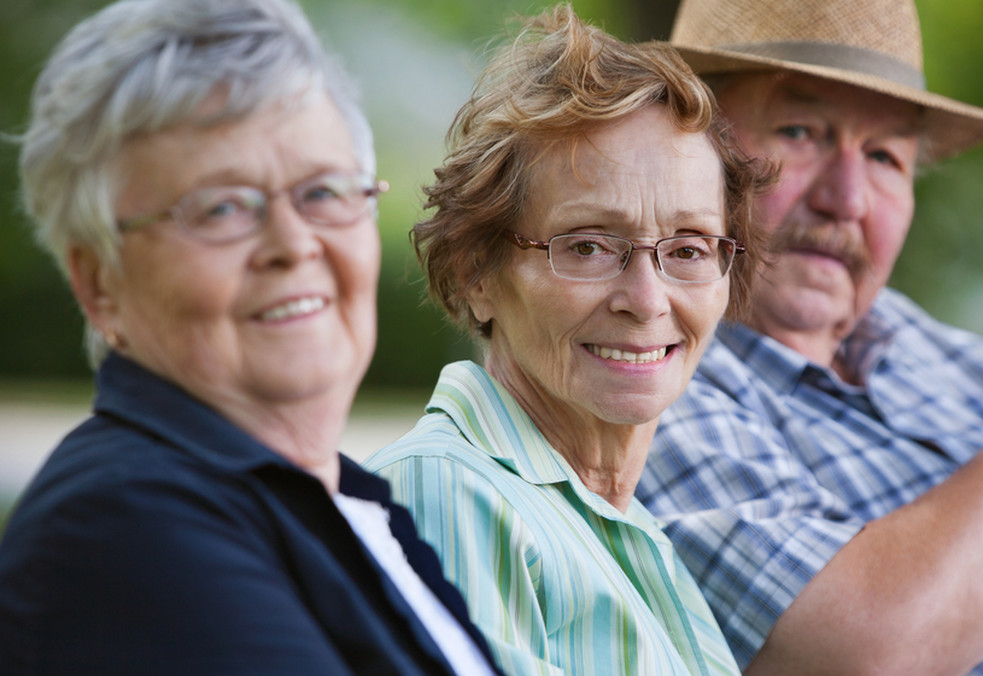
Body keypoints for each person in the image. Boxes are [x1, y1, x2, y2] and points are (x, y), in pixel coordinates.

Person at [636, 0, 983, 674]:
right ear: (685, 152)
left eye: (884, 155)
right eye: (800, 130)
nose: (849, 199)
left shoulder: (955, 359)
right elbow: (864, 656)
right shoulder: (651, 378)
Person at [0, 1, 502, 674]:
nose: (294, 244)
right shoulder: (123, 526)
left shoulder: (343, 502)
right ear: (98, 283)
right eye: (223, 207)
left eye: (323, 192)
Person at [362, 6, 773, 675]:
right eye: (586, 245)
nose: (645, 300)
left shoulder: (623, 528)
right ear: (476, 275)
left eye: (689, 248)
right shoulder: (446, 494)